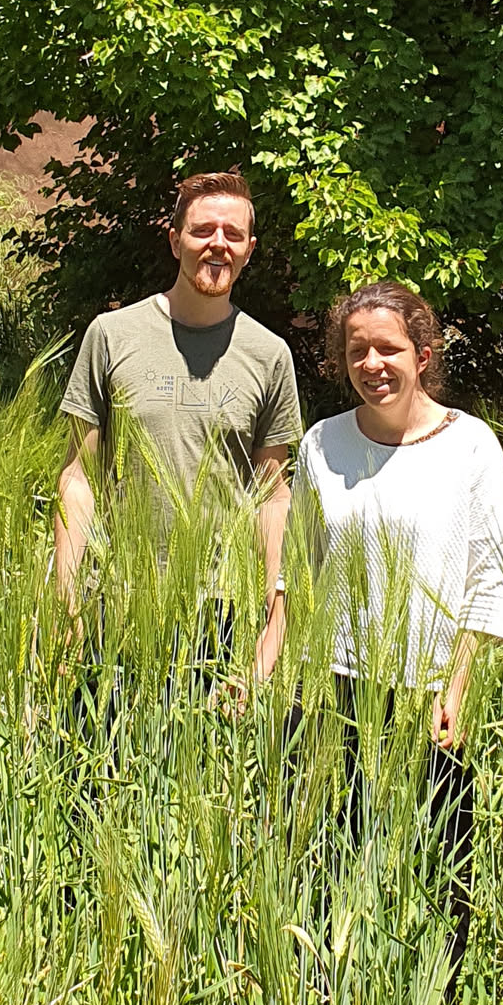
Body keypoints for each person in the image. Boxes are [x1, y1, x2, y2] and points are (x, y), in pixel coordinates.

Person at [268, 280, 503, 962]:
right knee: (321, 876)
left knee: (434, 884)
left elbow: (488, 580)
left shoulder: (471, 446)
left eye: (388, 348)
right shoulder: (322, 443)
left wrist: (457, 688)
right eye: (357, 351)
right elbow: (298, 567)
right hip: (331, 694)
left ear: (422, 355)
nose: (372, 363)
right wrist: (271, 661)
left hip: (428, 699)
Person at [54, 170, 301, 659]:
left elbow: (272, 495)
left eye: (233, 235)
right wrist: (67, 603)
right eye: (202, 230)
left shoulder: (269, 354)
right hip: (116, 598)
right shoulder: (111, 335)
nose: (218, 244)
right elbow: (78, 477)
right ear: (174, 241)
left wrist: (275, 617)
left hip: (223, 612)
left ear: (249, 250)